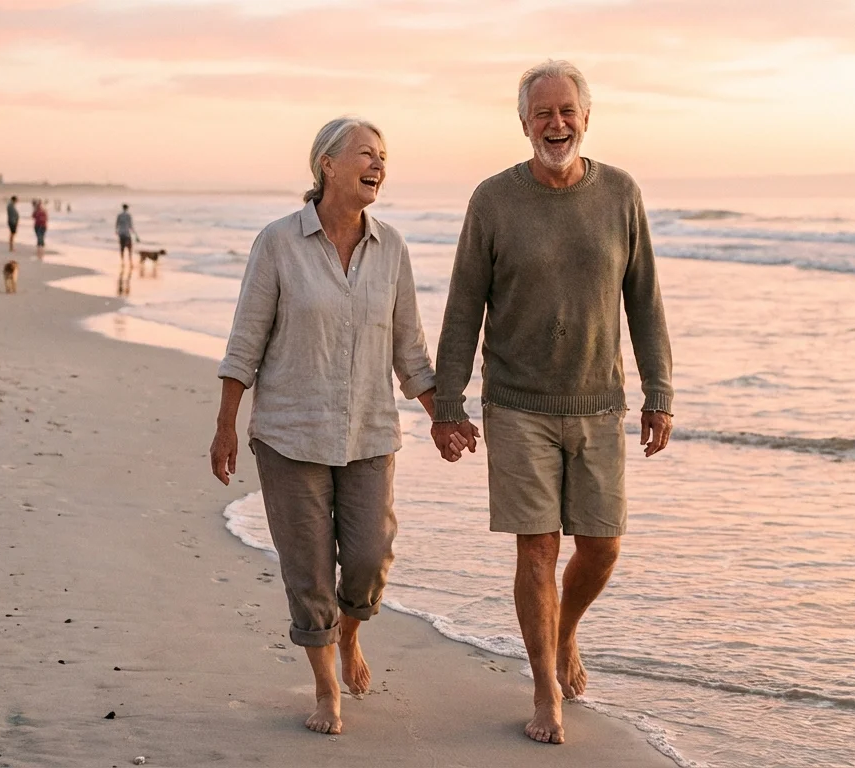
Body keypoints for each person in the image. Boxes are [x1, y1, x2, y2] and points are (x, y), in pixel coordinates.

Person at [431, 60, 675, 745]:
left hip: (599, 402)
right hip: (516, 402)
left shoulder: (621, 194)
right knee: (536, 548)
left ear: (586, 118)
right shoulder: (493, 200)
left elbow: (645, 301)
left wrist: (661, 392)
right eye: (542, 113)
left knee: (601, 546)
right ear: (523, 123)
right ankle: (543, 688)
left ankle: (565, 631)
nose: (555, 124)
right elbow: (462, 307)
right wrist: (448, 404)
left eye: (566, 111)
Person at [210, 117, 446, 736]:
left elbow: (410, 350)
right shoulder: (278, 243)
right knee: (309, 568)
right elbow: (245, 341)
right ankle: (324, 687)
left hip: (369, 432)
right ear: (327, 166)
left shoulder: (391, 247)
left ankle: (350, 636)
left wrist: (443, 416)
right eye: (366, 154)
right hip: (290, 435)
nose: (379, 165)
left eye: (384, 157)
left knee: (369, 557)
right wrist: (227, 425)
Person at [115, 203, 140, 270]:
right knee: (129, 248)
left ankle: (122, 262)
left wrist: (117, 232)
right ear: (127, 208)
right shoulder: (128, 215)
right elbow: (131, 226)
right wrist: (136, 235)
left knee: (122, 248)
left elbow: (117, 224)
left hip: (121, 233)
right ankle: (130, 262)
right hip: (127, 234)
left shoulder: (119, 215)